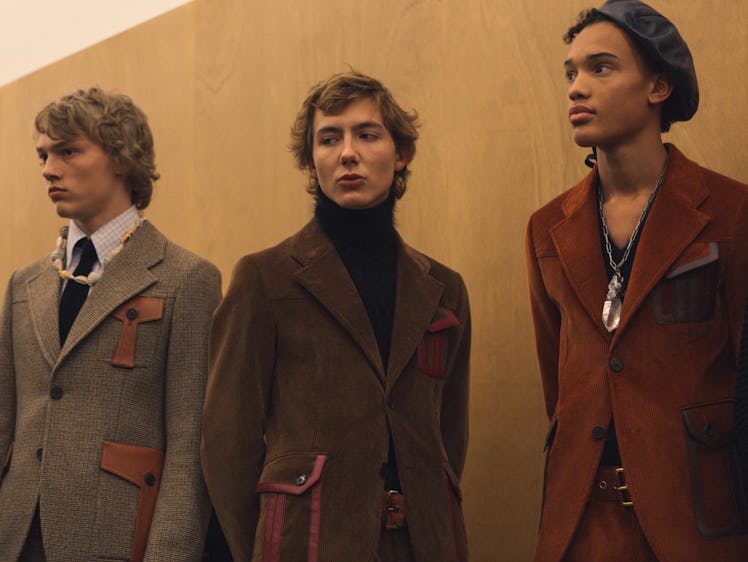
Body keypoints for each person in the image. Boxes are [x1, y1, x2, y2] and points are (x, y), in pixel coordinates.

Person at [202, 71, 471, 562]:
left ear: (400, 153)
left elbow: (450, 431)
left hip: (428, 543)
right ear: (311, 163)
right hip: (308, 543)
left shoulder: (444, 288)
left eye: (367, 134)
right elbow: (227, 441)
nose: (349, 152)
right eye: (329, 138)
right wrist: (266, 546)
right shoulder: (264, 278)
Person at [525, 1, 748, 560]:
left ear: (658, 87)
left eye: (601, 68)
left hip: (698, 521)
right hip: (579, 525)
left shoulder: (731, 211)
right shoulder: (547, 227)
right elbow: (560, 384)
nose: (577, 87)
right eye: (571, 72)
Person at [0, 87, 222, 561]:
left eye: (68, 150)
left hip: (118, 539)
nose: (48, 169)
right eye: (43, 155)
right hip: (15, 533)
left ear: (122, 157)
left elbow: (190, 448)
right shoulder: (24, 284)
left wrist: (170, 554)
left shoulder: (186, 278)